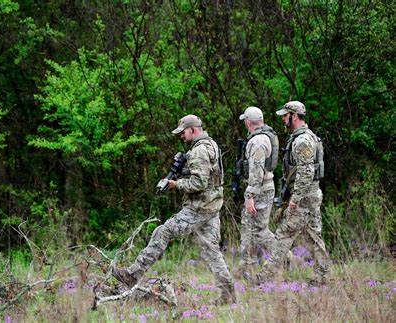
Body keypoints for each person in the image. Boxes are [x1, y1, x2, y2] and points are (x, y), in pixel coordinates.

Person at [113, 114, 236, 305]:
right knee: (211, 251)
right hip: (212, 206)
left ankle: (132, 274)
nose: (181, 136)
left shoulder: (199, 151)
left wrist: (174, 184)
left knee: (163, 232)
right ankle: (228, 295)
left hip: (199, 207)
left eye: (183, 132)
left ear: (193, 130)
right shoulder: (211, 144)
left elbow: (199, 182)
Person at [255, 101, 329, 285]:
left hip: (304, 198)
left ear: (293, 116)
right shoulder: (306, 136)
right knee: (314, 235)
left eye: (285, 116)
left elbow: (306, 171)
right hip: (310, 195)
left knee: (283, 235)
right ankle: (322, 275)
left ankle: (265, 276)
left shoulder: (302, 140)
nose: (283, 119)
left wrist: (294, 200)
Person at [237, 107, 279, 277]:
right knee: (252, 228)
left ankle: (282, 256)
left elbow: (256, 171)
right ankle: (247, 266)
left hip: (260, 189)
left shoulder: (258, 141)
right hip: (263, 187)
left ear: (248, 122)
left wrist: (250, 196)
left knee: (257, 229)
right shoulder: (264, 137)